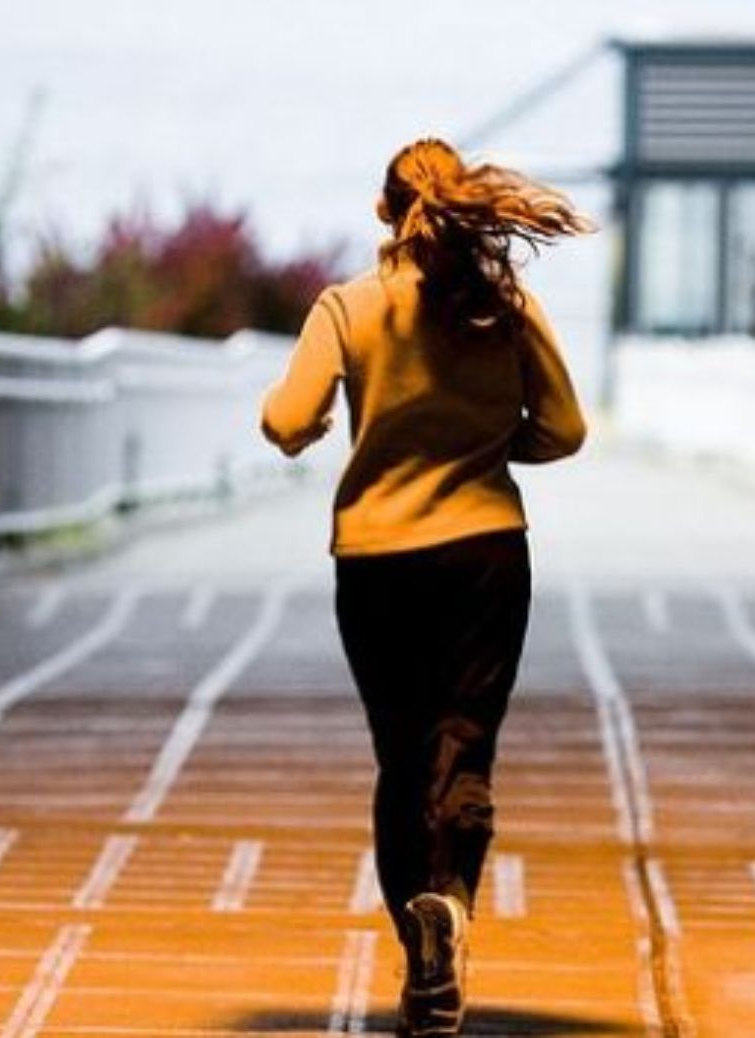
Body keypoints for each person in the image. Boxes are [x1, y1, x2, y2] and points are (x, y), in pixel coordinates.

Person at [257, 136, 593, 1037]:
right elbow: (563, 429)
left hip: (375, 559)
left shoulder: (348, 307)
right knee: (465, 746)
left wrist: (325, 426)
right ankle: (453, 902)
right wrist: (483, 449)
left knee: (403, 759)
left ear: (383, 212)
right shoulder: (503, 307)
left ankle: (421, 955)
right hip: (486, 551)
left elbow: (285, 418)